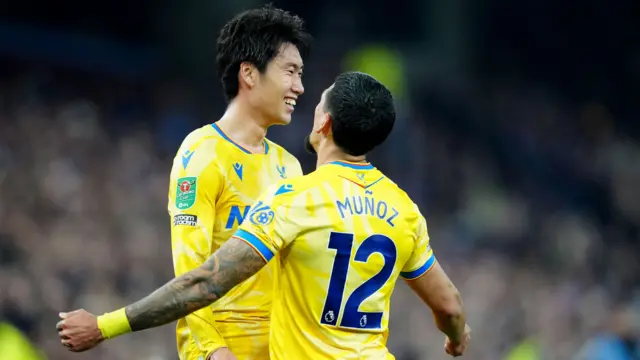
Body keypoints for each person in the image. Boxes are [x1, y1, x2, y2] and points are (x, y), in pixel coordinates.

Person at [57, 72, 471, 359]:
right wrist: (456, 339)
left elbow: (205, 282)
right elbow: (448, 306)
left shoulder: (294, 198)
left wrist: (105, 325)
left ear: (324, 123)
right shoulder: (404, 210)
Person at [103, 6, 308, 360]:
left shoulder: (289, 166)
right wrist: (214, 349)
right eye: (290, 71)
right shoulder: (202, 153)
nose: (299, 87)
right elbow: (190, 266)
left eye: (300, 74)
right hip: (222, 347)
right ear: (249, 73)